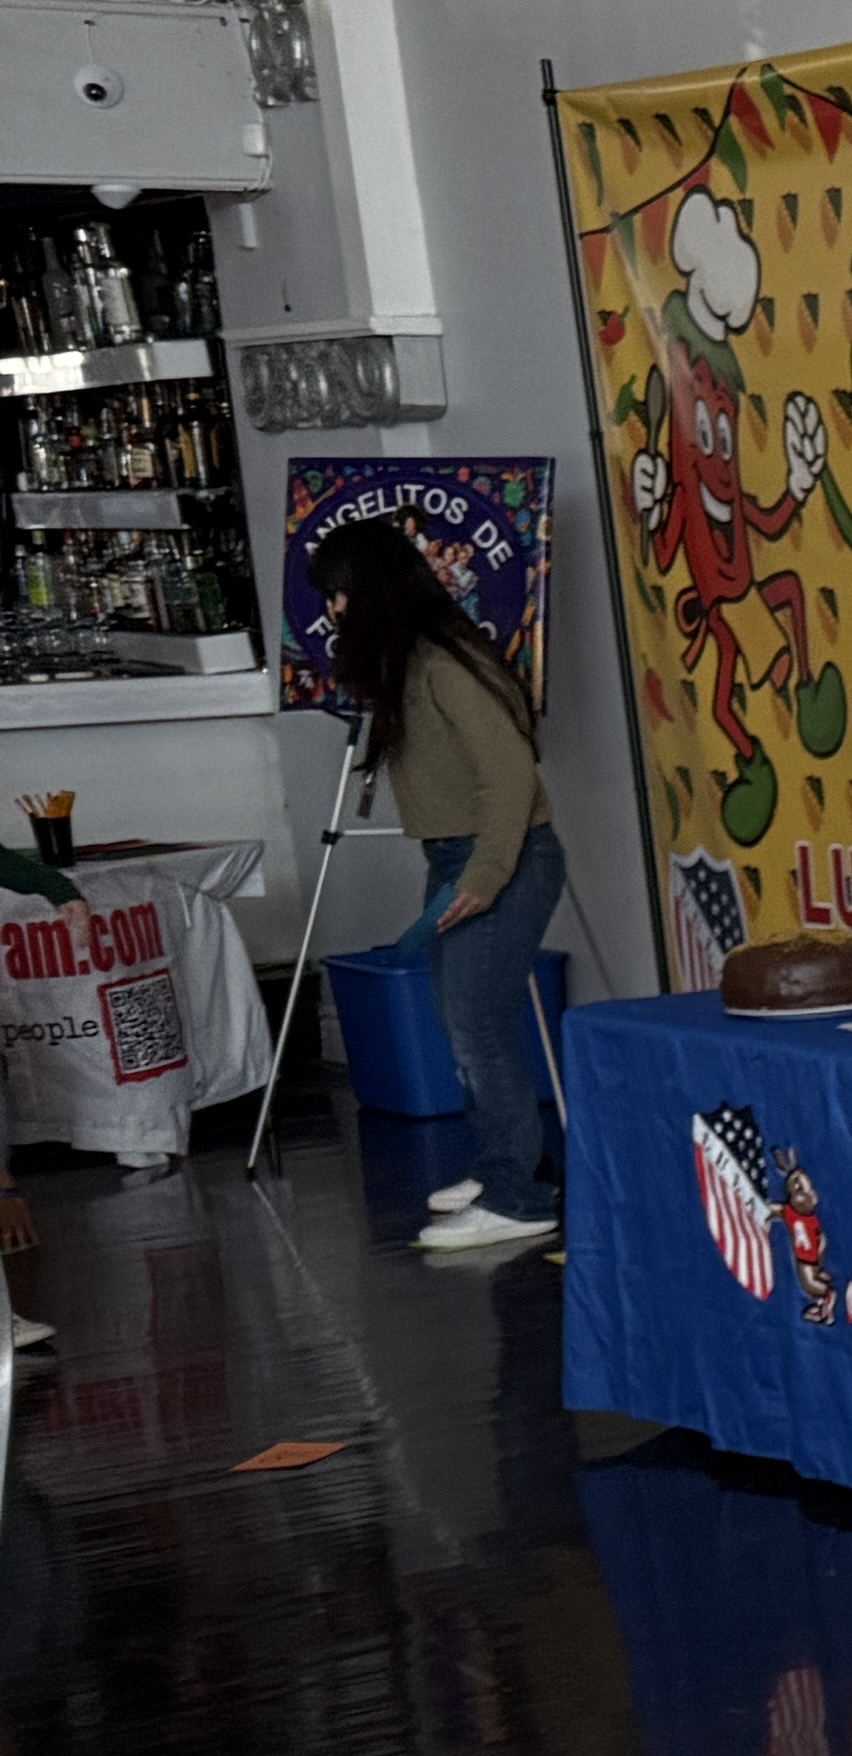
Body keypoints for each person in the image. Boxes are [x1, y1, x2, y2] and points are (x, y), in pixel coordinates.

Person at [312, 518, 570, 1256]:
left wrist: (487, 877)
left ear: (376, 590)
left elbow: (512, 774)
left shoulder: (442, 662)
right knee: (465, 1028)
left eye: (340, 594)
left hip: (502, 859)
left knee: (477, 1029)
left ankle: (516, 1196)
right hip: (460, 859)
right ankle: (506, 1170)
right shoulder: (412, 658)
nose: (333, 612)